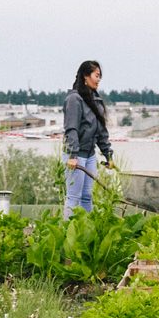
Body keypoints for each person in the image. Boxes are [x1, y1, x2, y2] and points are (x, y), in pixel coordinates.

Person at [63, 60, 114, 218]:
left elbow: (101, 132)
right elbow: (71, 129)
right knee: (74, 196)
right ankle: (67, 231)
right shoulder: (74, 99)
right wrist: (72, 155)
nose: (99, 80)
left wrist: (108, 155)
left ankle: (87, 230)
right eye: (96, 76)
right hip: (76, 156)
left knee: (87, 196)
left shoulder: (96, 101)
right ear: (86, 76)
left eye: (100, 77)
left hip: (90, 156)